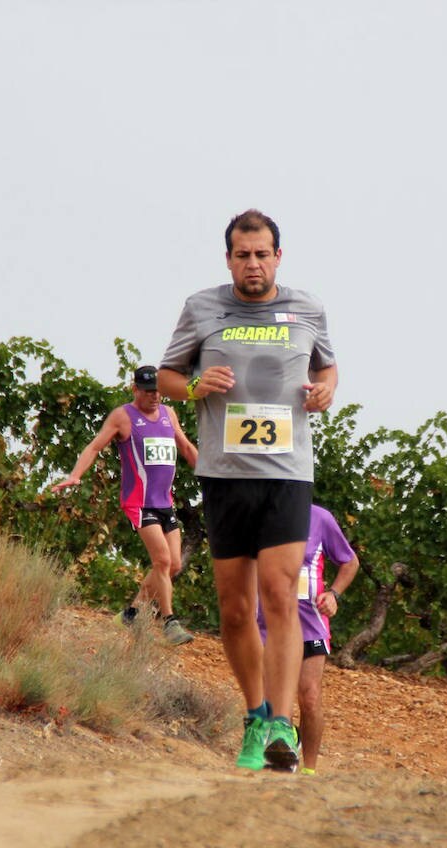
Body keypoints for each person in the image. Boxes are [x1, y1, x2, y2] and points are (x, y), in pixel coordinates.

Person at [158, 209, 338, 773]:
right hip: (225, 473)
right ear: (228, 258)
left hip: (287, 473)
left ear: (278, 256)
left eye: (262, 254)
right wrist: (193, 387)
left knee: (280, 595)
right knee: (235, 610)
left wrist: (324, 392)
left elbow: (329, 370)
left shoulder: (308, 308)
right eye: (242, 255)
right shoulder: (202, 307)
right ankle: (256, 715)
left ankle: (282, 723)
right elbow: (166, 377)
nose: (253, 264)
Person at [52, 365, 198, 646]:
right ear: (135, 390)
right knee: (162, 561)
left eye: (158, 391)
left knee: (173, 565)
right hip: (139, 503)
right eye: (148, 391)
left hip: (164, 502)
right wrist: (75, 475)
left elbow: (187, 448)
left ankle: (130, 614)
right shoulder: (123, 416)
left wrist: (215, 477)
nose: (154, 396)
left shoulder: (169, 414)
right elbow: (95, 446)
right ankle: (169, 622)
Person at [256, 504, 358, 774]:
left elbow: (350, 561)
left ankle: (309, 772)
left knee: (310, 697)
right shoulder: (256, 513)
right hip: (270, 622)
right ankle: (284, 756)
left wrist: (334, 595)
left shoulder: (320, 517)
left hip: (310, 622)